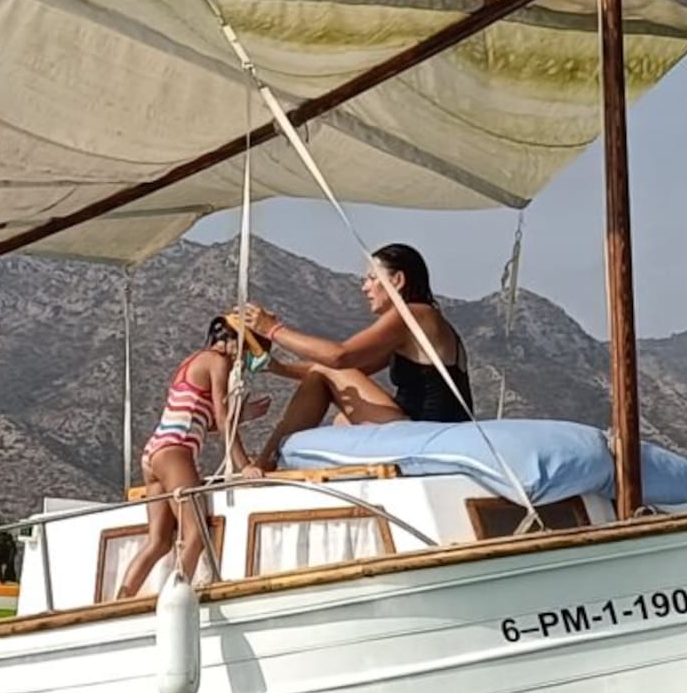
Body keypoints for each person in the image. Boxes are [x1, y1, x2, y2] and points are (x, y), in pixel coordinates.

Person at [240, 242, 474, 470]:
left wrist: (272, 330)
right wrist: (275, 366)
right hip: (425, 428)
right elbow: (341, 370)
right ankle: (271, 461)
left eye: (372, 278)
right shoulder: (422, 321)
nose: (365, 287)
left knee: (331, 382)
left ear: (397, 281)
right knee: (342, 419)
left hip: (426, 431)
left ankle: (265, 462)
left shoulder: (413, 314)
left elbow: (339, 358)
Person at [115, 316, 266, 599]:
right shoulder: (216, 361)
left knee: (158, 542)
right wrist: (245, 465)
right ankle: (173, 606)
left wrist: (241, 416)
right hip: (176, 450)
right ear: (234, 343)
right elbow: (222, 421)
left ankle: (120, 603)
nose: (242, 361)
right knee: (195, 536)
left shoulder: (192, 361)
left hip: (155, 452)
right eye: (245, 352)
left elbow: (200, 417)